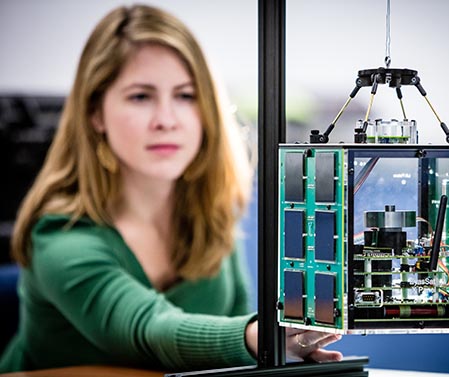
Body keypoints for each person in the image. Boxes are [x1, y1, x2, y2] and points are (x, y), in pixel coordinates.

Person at [0, 4, 342, 373]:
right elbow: (147, 330)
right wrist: (259, 337)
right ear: (95, 112)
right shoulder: (60, 235)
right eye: (140, 96)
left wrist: (283, 345)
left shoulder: (209, 211)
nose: (166, 120)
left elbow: (231, 329)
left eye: (185, 96)